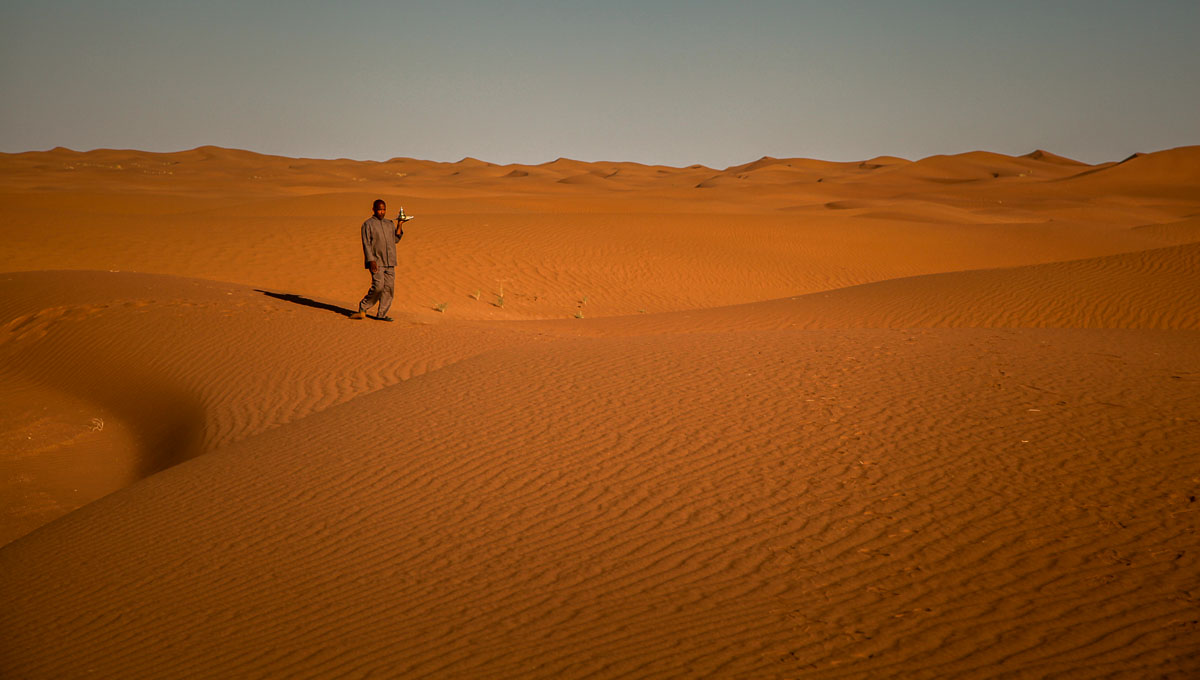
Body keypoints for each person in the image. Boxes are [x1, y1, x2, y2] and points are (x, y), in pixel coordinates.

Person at [350, 199, 405, 321]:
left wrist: (400, 224)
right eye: (379, 209)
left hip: (390, 262)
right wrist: (371, 260)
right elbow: (366, 244)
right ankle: (363, 307)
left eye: (384, 209)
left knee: (389, 289)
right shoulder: (368, 224)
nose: (382, 212)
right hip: (377, 262)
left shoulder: (389, 224)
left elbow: (395, 239)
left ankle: (382, 314)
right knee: (378, 286)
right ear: (374, 210)